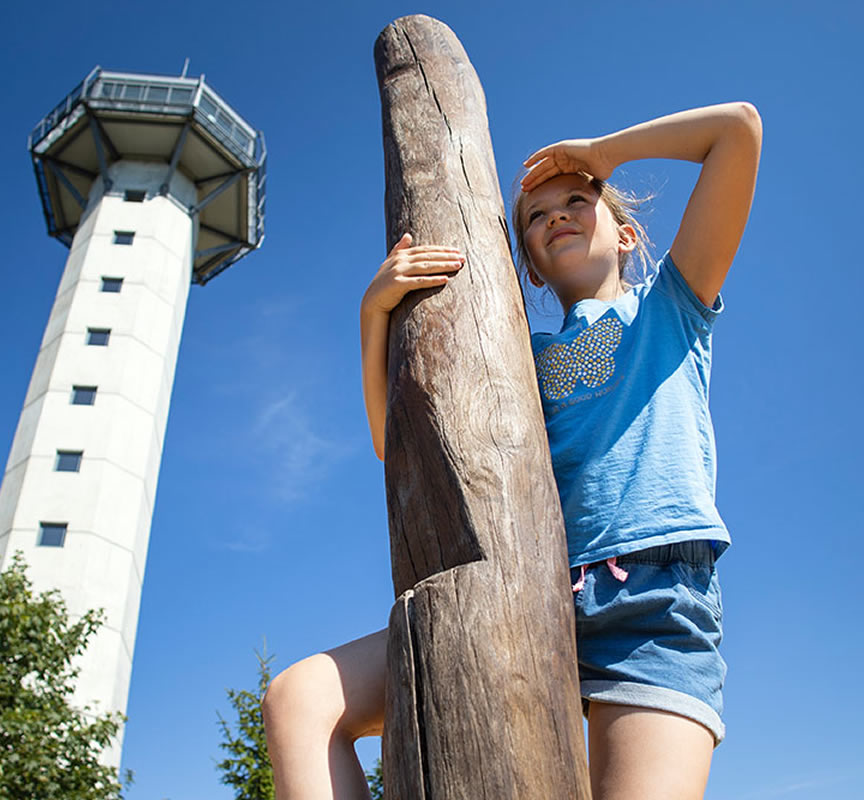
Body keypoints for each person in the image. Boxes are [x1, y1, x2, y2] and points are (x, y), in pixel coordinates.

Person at [262, 102, 763, 800]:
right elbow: (393, 444)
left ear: (626, 235)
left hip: (653, 602)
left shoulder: (671, 306)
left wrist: (603, 152)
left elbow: (736, 130)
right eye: (535, 214)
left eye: (577, 199)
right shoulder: (514, 359)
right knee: (300, 698)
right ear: (525, 264)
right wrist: (371, 316)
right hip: (527, 597)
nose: (555, 213)